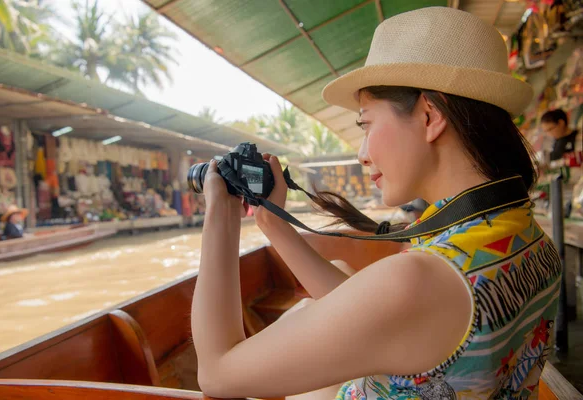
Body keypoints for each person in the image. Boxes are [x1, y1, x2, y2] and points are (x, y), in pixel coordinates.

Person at [191, 7, 561, 399]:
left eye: (366, 124)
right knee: (331, 277)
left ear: (429, 116)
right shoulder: (523, 232)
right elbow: (373, 313)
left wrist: (222, 213)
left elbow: (216, 374)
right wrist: (274, 223)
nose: (362, 153)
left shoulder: (418, 279)